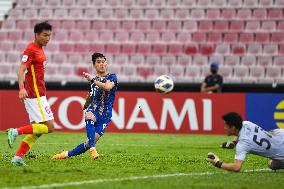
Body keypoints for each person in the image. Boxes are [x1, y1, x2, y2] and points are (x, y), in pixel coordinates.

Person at [52, 52, 118, 160]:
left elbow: (107, 88)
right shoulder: (94, 82)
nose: (101, 64)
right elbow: (90, 95)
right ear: (94, 65)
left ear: (106, 64)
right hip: (94, 109)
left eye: (103, 62)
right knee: (89, 115)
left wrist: (93, 80)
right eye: (98, 62)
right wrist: (86, 104)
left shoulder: (112, 77)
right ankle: (93, 149)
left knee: (87, 143)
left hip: (105, 115)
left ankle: (66, 154)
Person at [6, 22, 54, 166]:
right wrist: (21, 88)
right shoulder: (31, 50)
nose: (47, 38)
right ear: (36, 35)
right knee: (49, 127)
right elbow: (21, 70)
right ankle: (15, 131)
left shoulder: (39, 49)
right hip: (35, 95)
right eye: (45, 35)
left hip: (39, 94)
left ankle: (17, 158)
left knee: (37, 131)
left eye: (49, 35)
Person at [207, 112, 284, 172]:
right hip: (281, 136)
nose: (224, 128)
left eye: (226, 126)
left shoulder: (243, 144)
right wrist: (233, 142)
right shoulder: (246, 123)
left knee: (271, 164)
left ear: (233, 127)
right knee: (271, 164)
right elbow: (239, 132)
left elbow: (237, 167)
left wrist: (217, 163)